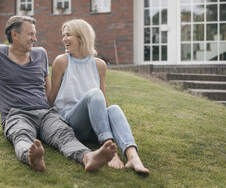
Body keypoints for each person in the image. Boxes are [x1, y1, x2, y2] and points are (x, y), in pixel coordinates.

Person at [0, 15, 117, 172]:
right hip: (15, 114)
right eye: (30, 34)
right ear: (14, 35)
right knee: (21, 136)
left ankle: (88, 157)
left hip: (45, 113)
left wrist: (55, 113)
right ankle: (32, 157)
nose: (35, 39)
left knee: (64, 135)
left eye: (35, 34)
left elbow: (47, 87)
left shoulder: (40, 54)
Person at [48, 19, 150, 175]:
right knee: (94, 93)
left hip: (94, 126)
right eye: (63, 35)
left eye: (68, 35)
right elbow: (52, 99)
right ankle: (110, 150)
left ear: (81, 38)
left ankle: (132, 156)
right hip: (71, 121)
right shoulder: (62, 61)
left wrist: (109, 118)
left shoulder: (99, 65)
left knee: (113, 108)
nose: (64, 39)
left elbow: (103, 101)